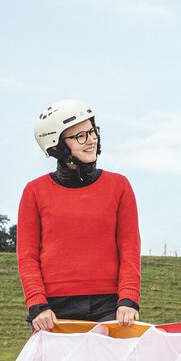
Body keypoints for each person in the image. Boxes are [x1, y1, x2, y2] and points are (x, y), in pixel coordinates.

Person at [17, 99, 141, 331]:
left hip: (111, 306)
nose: (92, 140)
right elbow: (27, 256)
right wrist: (37, 305)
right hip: (54, 311)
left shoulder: (120, 186)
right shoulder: (34, 192)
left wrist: (128, 299)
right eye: (80, 136)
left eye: (92, 131)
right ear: (58, 146)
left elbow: (129, 249)